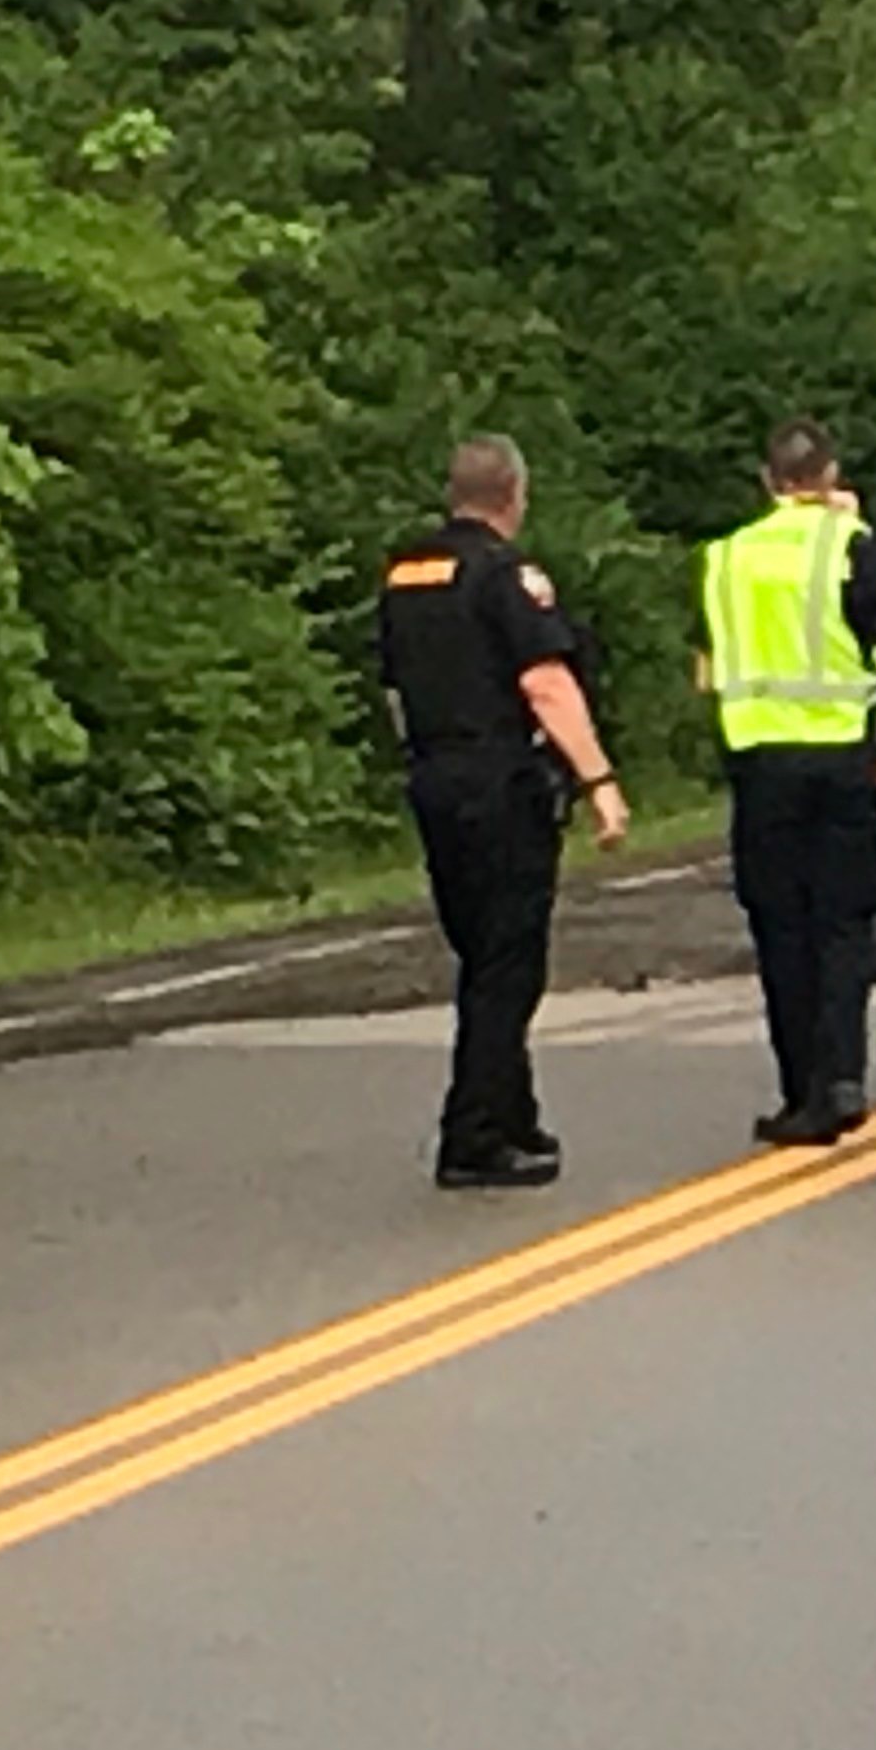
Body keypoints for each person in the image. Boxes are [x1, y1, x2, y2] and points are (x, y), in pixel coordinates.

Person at [374, 436, 630, 1189]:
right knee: (507, 964)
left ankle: (514, 1116)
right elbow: (546, 683)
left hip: (434, 775)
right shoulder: (505, 574)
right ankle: (473, 1136)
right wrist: (599, 781)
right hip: (500, 781)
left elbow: (392, 685)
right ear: (514, 493)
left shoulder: (407, 572)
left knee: (481, 952)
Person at [701, 420, 876, 1147]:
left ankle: (801, 1089)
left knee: (780, 927)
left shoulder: (726, 558)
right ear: (831, 475)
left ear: (768, 480)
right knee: (844, 922)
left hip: (760, 760)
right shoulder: (850, 545)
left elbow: (712, 654)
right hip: (841, 756)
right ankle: (844, 1075)